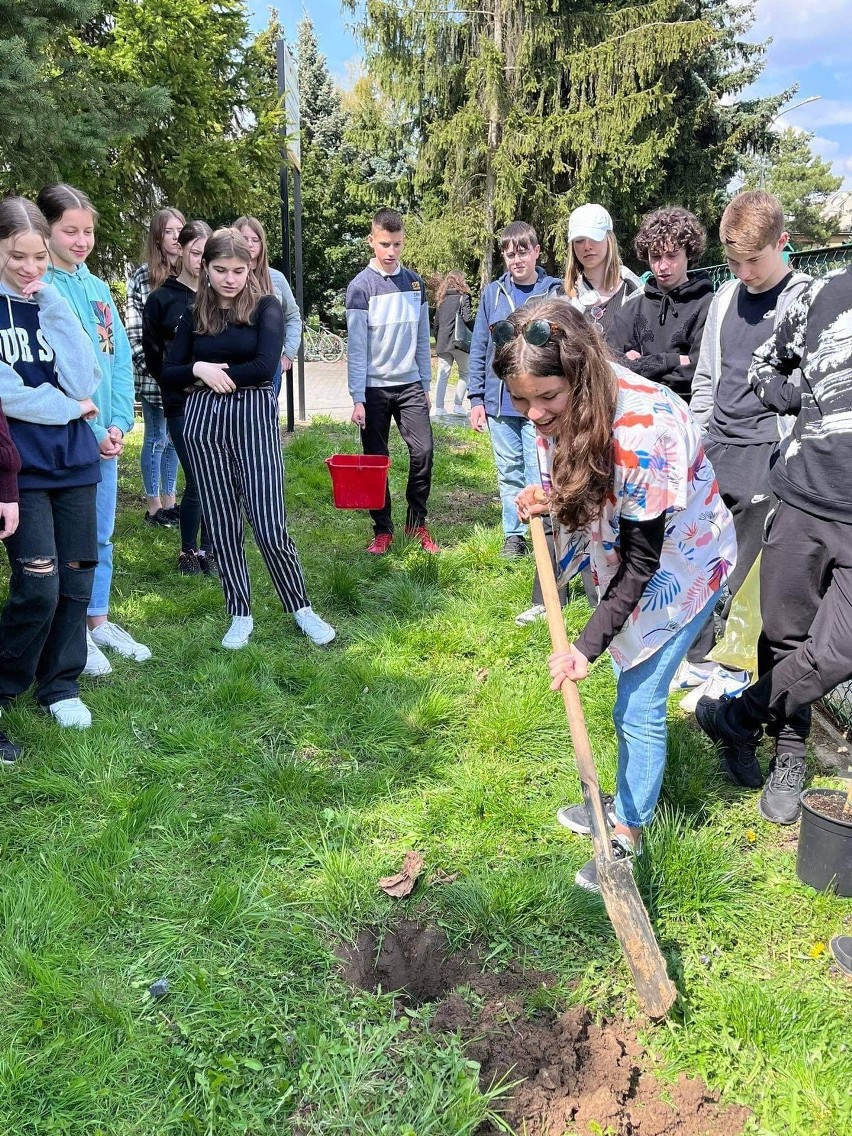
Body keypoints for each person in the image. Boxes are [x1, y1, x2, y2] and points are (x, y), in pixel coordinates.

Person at [492, 298, 736, 891]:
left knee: (638, 703)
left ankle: (627, 833)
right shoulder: (560, 406)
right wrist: (545, 499)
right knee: (630, 697)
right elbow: (580, 477)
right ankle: (621, 803)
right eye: (521, 401)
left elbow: (643, 565)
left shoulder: (640, 428)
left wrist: (584, 649)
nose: (534, 415)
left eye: (546, 398)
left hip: (685, 563)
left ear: (579, 372)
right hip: (634, 558)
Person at [696, 264, 852, 826]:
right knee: (785, 634)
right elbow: (763, 368)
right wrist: (803, 402)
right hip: (804, 496)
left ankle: (737, 717)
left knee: (838, 651)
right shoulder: (824, 294)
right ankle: (787, 756)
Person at [160, 228, 335, 650]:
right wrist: (200, 369)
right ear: (205, 267)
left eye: (238, 270)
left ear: (251, 268)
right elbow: (169, 371)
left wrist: (215, 373)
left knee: (270, 524)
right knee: (222, 523)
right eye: (220, 269)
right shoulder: (193, 312)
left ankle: (301, 607)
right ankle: (239, 611)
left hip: (253, 417)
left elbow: (264, 365)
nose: (229, 278)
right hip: (202, 422)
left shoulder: (266, 306)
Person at [676, 191, 811, 707]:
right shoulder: (726, 297)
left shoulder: (806, 300)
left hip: (769, 452)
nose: (744, 271)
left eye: (754, 260)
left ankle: (734, 674)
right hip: (718, 445)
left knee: (749, 573)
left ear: (783, 241)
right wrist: (697, 436)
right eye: (734, 261)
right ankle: (697, 658)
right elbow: (709, 376)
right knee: (702, 559)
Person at [0, 196, 102, 742]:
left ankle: (60, 684)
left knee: (77, 579)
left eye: (39, 257)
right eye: (18, 256)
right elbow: (10, 396)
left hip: (75, 462)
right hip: (22, 468)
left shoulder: (52, 297)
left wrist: (55, 308)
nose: (30, 268)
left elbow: (83, 376)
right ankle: (4, 682)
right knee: (37, 586)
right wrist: (70, 407)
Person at [38, 183, 150, 676]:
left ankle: (97, 619)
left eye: (88, 231)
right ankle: (69, 630)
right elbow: (57, 370)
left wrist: (121, 421)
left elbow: (118, 357)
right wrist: (97, 425)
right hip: (71, 436)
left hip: (107, 436)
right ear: (46, 231)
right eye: (70, 231)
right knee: (70, 541)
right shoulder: (38, 289)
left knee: (101, 535)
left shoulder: (99, 286)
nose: (81, 240)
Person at [468, 220, 561, 559]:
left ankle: (545, 531)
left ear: (536, 251)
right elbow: (480, 347)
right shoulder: (492, 294)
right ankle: (514, 535)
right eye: (509, 253)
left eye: (523, 251)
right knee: (508, 471)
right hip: (502, 403)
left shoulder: (554, 292)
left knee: (539, 470)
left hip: (542, 403)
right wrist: (477, 398)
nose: (516, 259)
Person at [346, 207, 437, 554]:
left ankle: (417, 524)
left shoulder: (414, 283)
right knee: (375, 459)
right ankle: (382, 529)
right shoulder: (360, 288)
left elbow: (422, 335)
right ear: (372, 241)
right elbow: (356, 348)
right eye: (384, 244)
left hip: (411, 384)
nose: (391, 251)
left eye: (397, 244)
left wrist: (425, 385)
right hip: (373, 388)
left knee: (424, 452)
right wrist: (357, 397)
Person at [142, 219, 216, 577]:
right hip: (180, 402)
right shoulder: (161, 300)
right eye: (196, 252)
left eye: (207, 253)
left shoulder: (218, 297)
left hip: (218, 402)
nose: (201, 260)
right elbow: (155, 358)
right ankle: (189, 551)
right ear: (182, 251)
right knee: (199, 477)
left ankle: (214, 550)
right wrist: (183, 385)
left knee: (219, 478)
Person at [607, 206, 713, 403]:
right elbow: (609, 367)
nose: (662, 266)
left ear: (688, 253)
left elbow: (700, 372)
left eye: (672, 255)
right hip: (636, 412)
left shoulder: (708, 306)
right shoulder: (631, 309)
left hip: (690, 414)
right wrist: (673, 360)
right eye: (655, 257)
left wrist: (640, 363)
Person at [126, 207, 185, 526]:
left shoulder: (192, 272)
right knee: (156, 437)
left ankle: (170, 501)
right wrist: (155, 368)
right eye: (169, 231)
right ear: (157, 238)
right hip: (153, 376)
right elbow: (135, 332)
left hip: (184, 379)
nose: (176, 237)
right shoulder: (142, 276)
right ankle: (153, 507)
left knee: (177, 438)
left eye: (180, 230)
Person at [235, 215, 302, 398]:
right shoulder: (228, 280)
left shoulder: (277, 279)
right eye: (244, 239)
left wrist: (288, 354)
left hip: (270, 363)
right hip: (237, 364)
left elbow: (293, 317)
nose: (250, 244)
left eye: (255, 240)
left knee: (267, 417)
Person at [563, 204, 641, 335]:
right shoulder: (563, 297)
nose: (587, 246)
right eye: (579, 240)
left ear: (609, 239)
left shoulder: (635, 293)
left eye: (594, 237)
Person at [432, 270, 473, 416]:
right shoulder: (463, 297)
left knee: (442, 374)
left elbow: (436, 323)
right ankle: (457, 405)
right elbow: (467, 318)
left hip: (443, 342)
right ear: (460, 281)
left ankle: (438, 408)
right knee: (465, 373)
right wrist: (474, 331)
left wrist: (438, 341)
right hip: (458, 342)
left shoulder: (441, 299)